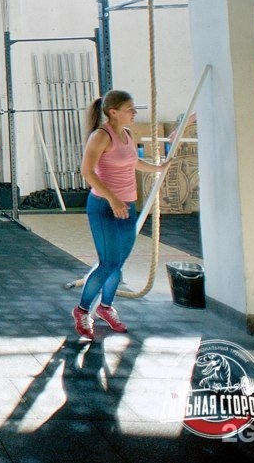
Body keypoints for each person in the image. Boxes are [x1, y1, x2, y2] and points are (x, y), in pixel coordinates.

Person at [72, 90, 172, 340]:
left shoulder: (127, 134)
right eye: (130, 108)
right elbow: (87, 171)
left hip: (127, 205)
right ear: (113, 112)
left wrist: (157, 168)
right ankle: (82, 310)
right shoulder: (100, 136)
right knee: (108, 263)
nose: (134, 113)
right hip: (104, 206)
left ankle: (105, 307)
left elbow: (132, 162)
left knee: (118, 263)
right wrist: (113, 198)